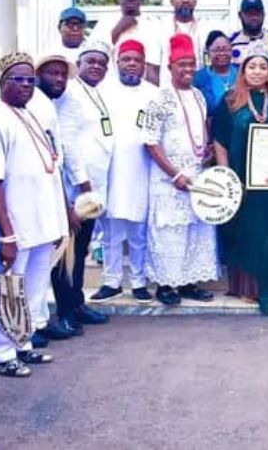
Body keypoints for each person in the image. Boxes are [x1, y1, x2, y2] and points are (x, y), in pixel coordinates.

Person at [0, 52, 69, 377]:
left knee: (33, 287)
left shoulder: (29, 113)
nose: (25, 85)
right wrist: (5, 233)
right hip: (15, 224)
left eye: (30, 80)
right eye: (18, 79)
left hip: (41, 221)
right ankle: (2, 353)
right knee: (8, 287)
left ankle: (22, 344)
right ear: (3, 82)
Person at [212, 41, 268, 314]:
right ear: (243, 71)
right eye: (252, 66)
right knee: (248, 233)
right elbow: (220, 141)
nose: (257, 72)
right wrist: (227, 177)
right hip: (243, 181)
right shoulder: (229, 101)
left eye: (263, 67)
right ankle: (249, 288)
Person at [144, 34, 219, 305]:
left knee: (196, 231)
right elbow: (150, 142)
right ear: (169, 67)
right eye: (181, 65)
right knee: (169, 233)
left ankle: (189, 283)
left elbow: (201, 131)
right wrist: (174, 173)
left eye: (191, 64)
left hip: (196, 173)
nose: (187, 70)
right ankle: (166, 285)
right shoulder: (159, 98)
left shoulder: (199, 95)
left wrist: (206, 150)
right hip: (168, 179)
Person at [87, 40, 157, 303]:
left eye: (136, 60)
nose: (131, 64)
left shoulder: (154, 93)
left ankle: (139, 282)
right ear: (117, 62)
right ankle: (112, 281)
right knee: (111, 231)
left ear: (143, 64)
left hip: (142, 170)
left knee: (139, 232)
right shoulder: (102, 91)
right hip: (110, 170)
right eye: (126, 59)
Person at [53, 41, 113, 328]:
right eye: (91, 61)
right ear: (79, 63)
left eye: (102, 63)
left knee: (81, 249)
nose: (96, 67)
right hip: (77, 188)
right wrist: (84, 184)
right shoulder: (71, 94)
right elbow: (68, 143)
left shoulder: (96, 92)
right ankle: (65, 311)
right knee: (67, 253)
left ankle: (77, 303)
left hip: (92, 189)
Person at [31, 54, 86, 339]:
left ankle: (41, 321)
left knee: (45, 265)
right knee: (42, 266)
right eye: (52, 73)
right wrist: (66, 206)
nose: (58, 79)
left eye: (62, 75)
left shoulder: (49, 104)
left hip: (55, 191)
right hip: (39, 199)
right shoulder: (35, 105)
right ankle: (31, 326)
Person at [146, 0, 212, 85]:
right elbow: (152, 68)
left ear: (195, 2)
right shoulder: (160, 27)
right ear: (172, 2)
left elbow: (211, 64)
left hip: (199, 90)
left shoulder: (205, 27)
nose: (185, 0)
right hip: (168, 91)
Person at [90, 0, 153, 75]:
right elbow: (94, 54)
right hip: (110, 84)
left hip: (143, 86)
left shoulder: (151, 24)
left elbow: (154, 62)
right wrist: (117, 30)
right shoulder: (106, 22)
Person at [193, 30, 239, 117]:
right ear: (208, 51)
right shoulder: (198, 78)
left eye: (226, 49)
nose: (222, 53)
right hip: (211, 127)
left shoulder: (242, 72)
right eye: (216, 50)